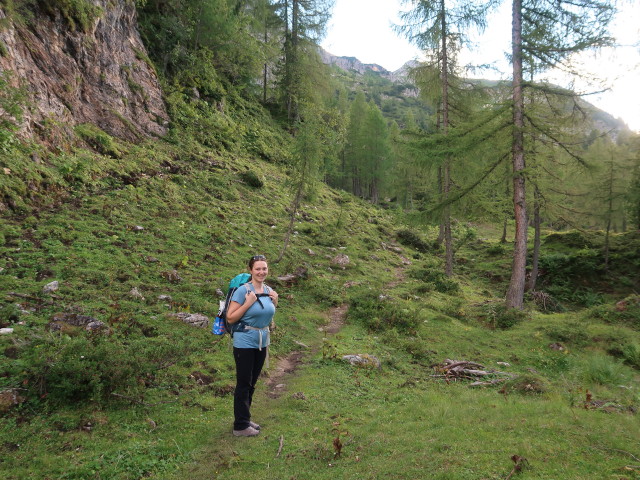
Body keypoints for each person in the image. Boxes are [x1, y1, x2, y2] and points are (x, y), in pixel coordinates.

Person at [225, 255, 279, 437]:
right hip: (244, 342)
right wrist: (248, 303)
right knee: (243, 383)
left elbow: (266, 315)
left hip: (262, 342)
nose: (262, 272)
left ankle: (245, 419)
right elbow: (230, 317)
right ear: (251, 270)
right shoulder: (243, 291)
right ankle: (240, 426)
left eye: (264, 268)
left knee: (252, 382)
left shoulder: (269, 290)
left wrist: (275, 302)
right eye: (258, 269)